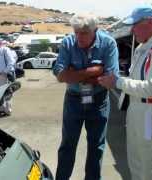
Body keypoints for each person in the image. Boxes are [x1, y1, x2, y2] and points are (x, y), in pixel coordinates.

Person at [97, 5, 152, 180]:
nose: (131, 30)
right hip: (137, 111)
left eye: (135, 24)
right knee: (136, 166)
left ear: (151, 23)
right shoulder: (143, 48)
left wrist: (117, 82)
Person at [52, 14, 119, 180]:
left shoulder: (108, 43)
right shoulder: (68, 43)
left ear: (95, 30)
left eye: (84, 33)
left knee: (96, 147)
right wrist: (95, 70)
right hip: (73, 99)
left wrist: (74, 74)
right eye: (76, 32)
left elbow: (110, 79)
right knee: (68, 145)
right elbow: (60, 75)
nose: (79, 37)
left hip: (99, 100)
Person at [0, 39, 16, 117]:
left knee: (7, 94)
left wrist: (5, 71)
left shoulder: (5, 50)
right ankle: (2, 109)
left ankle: (7, 111)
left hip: (5, 75)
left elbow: (11, 62)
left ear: (0, 44)